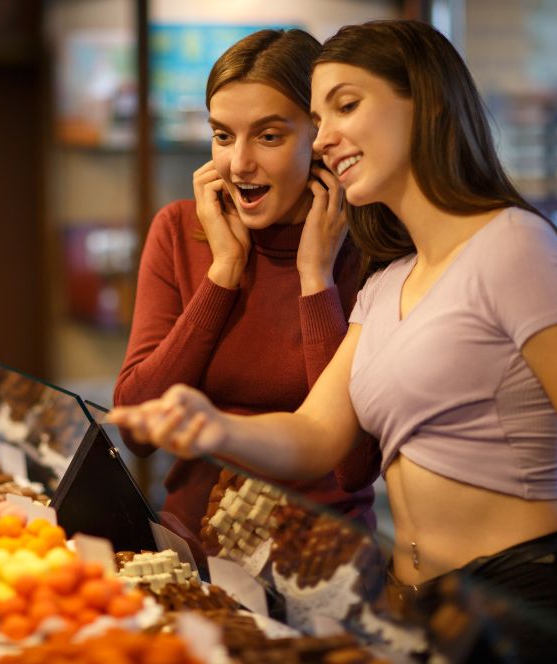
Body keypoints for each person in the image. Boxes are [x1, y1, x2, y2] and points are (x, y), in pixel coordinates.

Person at [110, 19, 557, 658]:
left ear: (426, 106)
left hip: (522, 593)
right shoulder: (392, 278)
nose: (326, 138)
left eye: (344, 107)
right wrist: (212, 427)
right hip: (416, 599)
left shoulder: (514, 244)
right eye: (319, 115)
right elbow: (315, 433)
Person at [113, 29, 379, 553]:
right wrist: (224, 272)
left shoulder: (371, 247)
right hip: (193, 545)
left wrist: (315, 280)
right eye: (223, 135)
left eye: (269, 136)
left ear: (319, 137)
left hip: (321, 557)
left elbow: (352, 467)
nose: (238, 164)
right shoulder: (178, 228)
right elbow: (137, 431)